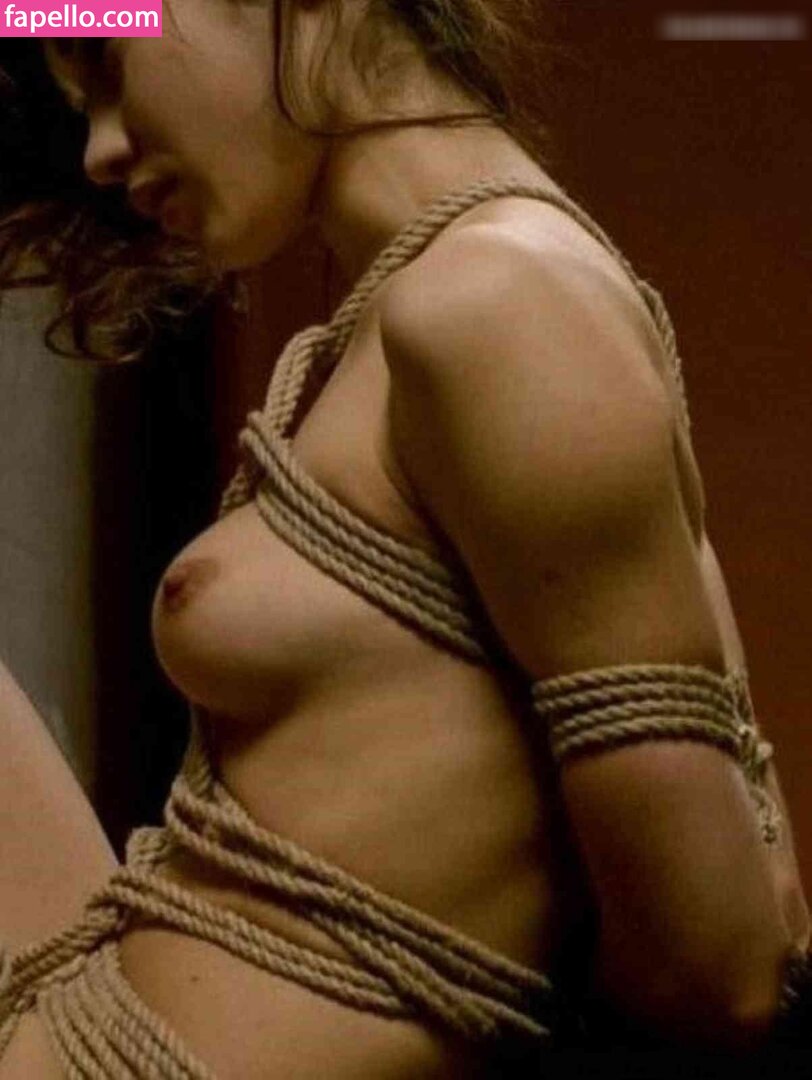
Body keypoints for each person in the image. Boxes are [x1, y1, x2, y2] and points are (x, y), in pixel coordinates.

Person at [0, 1, 810, 1075]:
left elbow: (719, 973)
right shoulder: (417, 313)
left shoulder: (499, 300)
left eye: (107, 58)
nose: (99, 151)